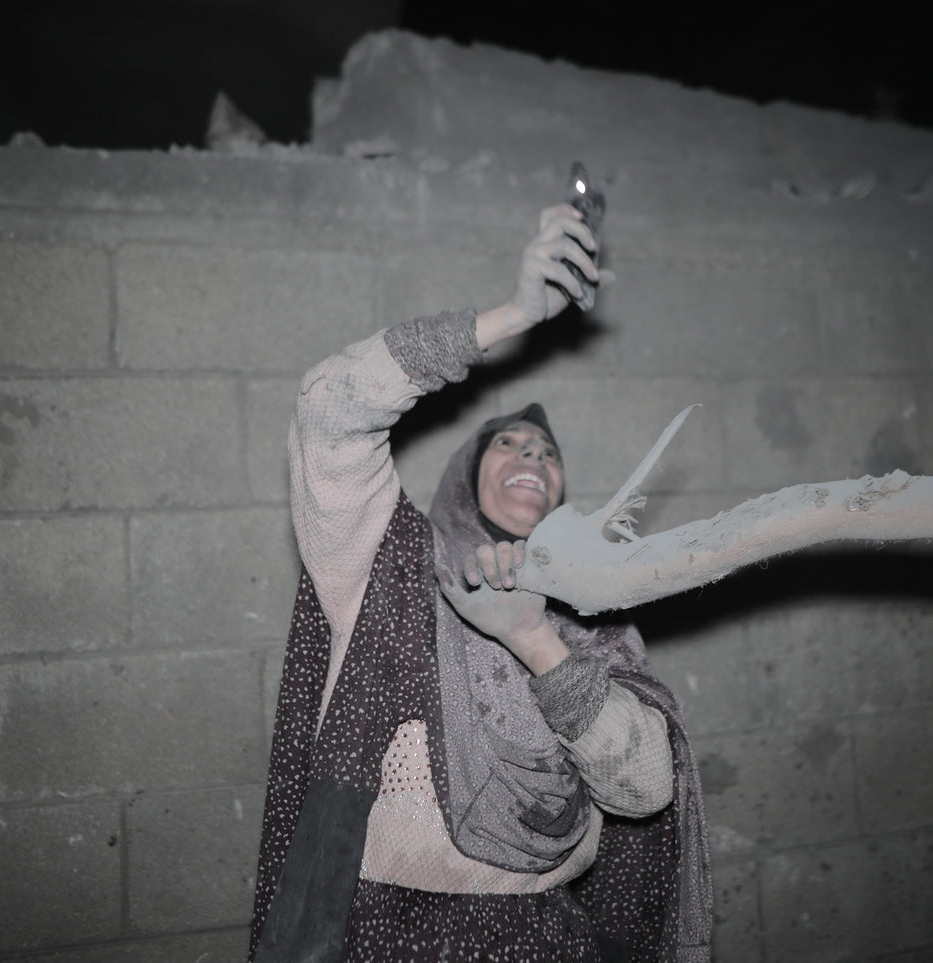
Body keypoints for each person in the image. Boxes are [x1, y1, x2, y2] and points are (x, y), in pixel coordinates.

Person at [248, 204, 712, 962]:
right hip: (379, 935)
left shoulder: (586, 619)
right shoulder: (389, 562)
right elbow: (327, 407)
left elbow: (644, 787)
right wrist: (516, 313)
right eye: (508, 442)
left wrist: (533, 638)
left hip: (547, 939)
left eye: (548, 452)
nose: (532, 453)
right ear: (469, 472)